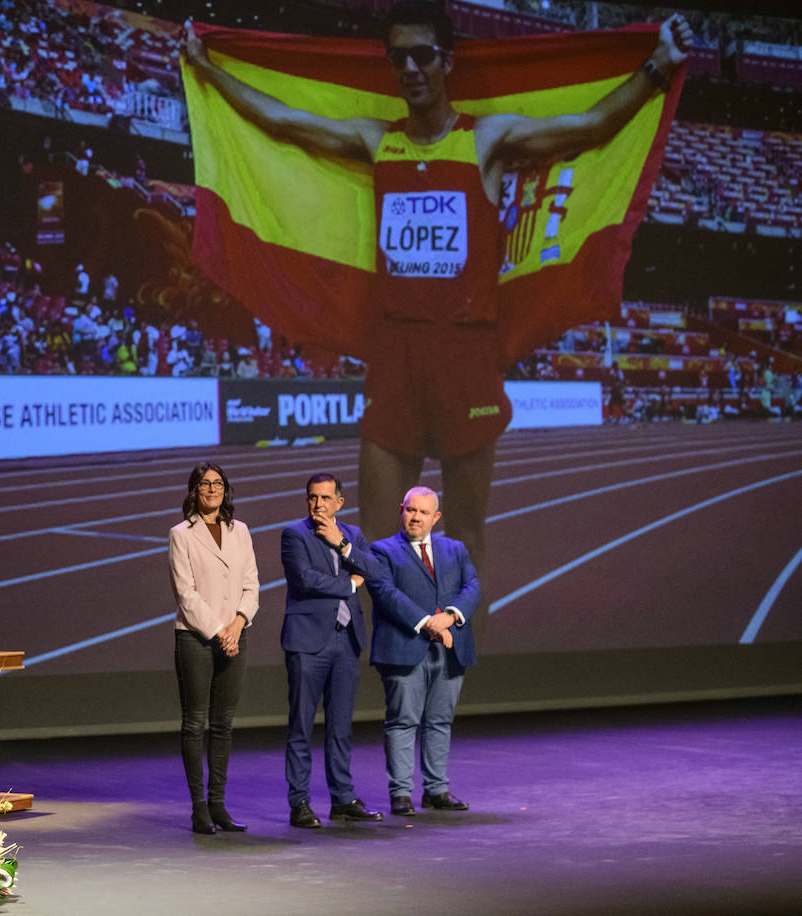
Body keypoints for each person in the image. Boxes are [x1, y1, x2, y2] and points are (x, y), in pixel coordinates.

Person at [183, 3, 693, 622]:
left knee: (464, 539)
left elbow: (588, 126)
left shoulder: (487, 138)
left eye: (423, 54)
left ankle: (454, 673)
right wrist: (210, 74)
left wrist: (657, 71)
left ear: (447, 61)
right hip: (395, 354)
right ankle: (395, 672)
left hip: (466, 356)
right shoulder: (380, 140)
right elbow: (287, 121)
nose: (411, 67)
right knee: (373, 544)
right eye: (399, 56)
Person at [366, 486, 479, 816]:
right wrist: (427, 622)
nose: (415, 517)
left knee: (440, 722)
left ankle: (436, 790)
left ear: (436, 517)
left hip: (449, 650)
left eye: (423, 512)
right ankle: (401, 793)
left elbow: (472, 587)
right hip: (404, 648)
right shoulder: (382, 550)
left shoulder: (455, 549)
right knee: (402, 721)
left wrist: (450, 616)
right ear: (401, 509)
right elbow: (385, 593)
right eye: (410, 510)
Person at [279, 473, 384, 828]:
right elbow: (304, 579)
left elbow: (376, 571)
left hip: (346, 639)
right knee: (301, 726)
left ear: (340, 502)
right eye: (312, 497)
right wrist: (350, 585)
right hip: (308, 641)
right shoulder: (295, 533)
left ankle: (342, 798)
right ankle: (300, 802)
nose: (318, 504)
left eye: (325, 498)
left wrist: (343, 545)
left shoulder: (352, 535)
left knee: (340, 727)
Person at [168, 462, 259, 834]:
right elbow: (185, 593)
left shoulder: (240, 531)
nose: (212, 489)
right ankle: (199, 808)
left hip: (236, 635)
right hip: (195, 637)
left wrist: (237, 624)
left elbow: (252, 585)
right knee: (195, 724)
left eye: (218, 483)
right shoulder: (181, 534)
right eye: (205, 484)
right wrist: (220, 630)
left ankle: (219, 804)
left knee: (223, 725)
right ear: (194, 490)